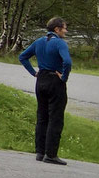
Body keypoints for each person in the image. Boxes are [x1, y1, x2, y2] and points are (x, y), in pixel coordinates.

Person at [18, 17, 72, 165]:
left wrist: (33, 72)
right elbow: (67, 62)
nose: (66, 31)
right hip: (55, 80)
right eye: (64, 28)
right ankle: (51, 154)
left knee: (42, 117)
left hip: (40, 79)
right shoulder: (60, 43)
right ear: (57, 29)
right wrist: (64, 77)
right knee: (55, 118)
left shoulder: (39, 42)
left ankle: (40, 152)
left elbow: (23, 57)